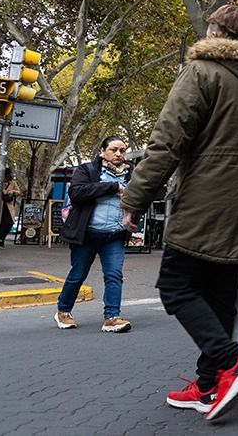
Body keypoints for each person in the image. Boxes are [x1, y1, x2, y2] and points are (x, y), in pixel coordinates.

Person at [121, 4, 238, 421]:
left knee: (175, 285)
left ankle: (230, 363)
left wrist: (133, 201)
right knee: (220, 295)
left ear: (214, 31)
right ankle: (209, 385)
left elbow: (167, 143)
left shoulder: (202, 71)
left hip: (205, 201)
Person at [54, 136, 133, 333]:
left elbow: (140, 198)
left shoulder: (131, 174)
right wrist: (112, 187)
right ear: (102, 152)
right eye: (114, 149)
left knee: (114, 275)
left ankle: (112, 317)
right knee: (78, 274)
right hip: (87, 235)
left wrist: (133, 218)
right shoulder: (87, 170)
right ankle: (63, 311)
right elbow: (78, 193)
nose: (118, 154)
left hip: (114, 235)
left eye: (122, 150)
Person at [0, 168, 20, 249]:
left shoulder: (13, 183)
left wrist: (12, 192)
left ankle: (2, 238)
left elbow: (18, 192)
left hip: (8, 206)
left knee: (9, 222)